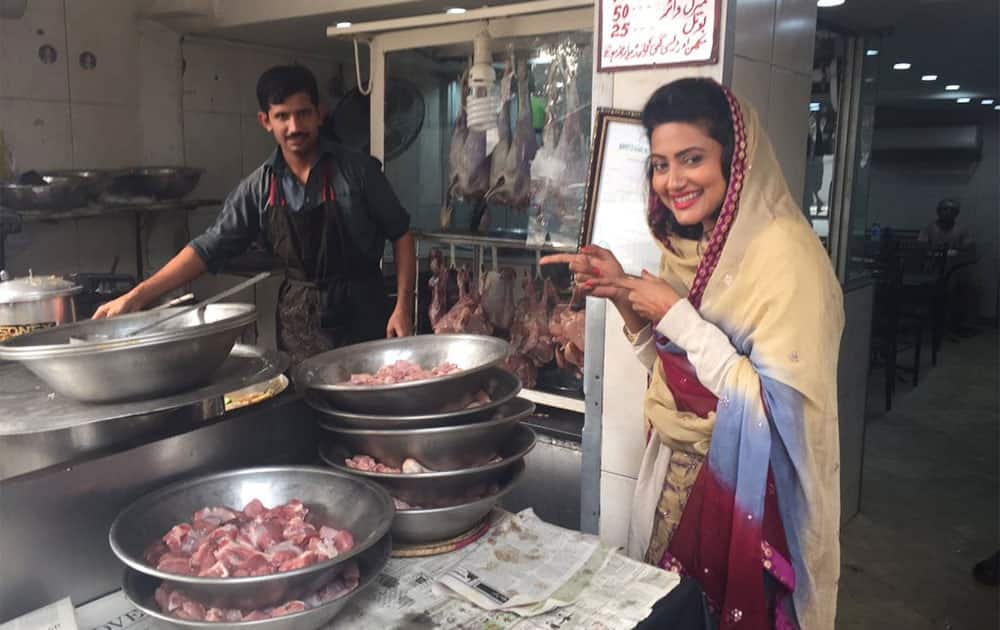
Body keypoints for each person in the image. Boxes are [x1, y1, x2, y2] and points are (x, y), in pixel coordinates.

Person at [543, 79, 844, 629]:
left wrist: (674, 312)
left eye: (691, 159)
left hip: (742, 504)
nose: (672, 181)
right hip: (671, 484)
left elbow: (776, 415)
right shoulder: (696, 247)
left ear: (735, 158)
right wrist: (626, 297)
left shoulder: (786, 257)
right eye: (659, 164)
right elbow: (680, 378)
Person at [94, 66, 415, 364]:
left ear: (320, 114)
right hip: (300, 322)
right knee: (306, 412)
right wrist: (138, 296)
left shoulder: (357, 170)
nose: (294, 127)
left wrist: (403, 305)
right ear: (266, 121)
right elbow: (209, 248)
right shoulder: (259, 187)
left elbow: (400, 232)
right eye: (282, 116)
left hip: (364, 309)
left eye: (303, 114)